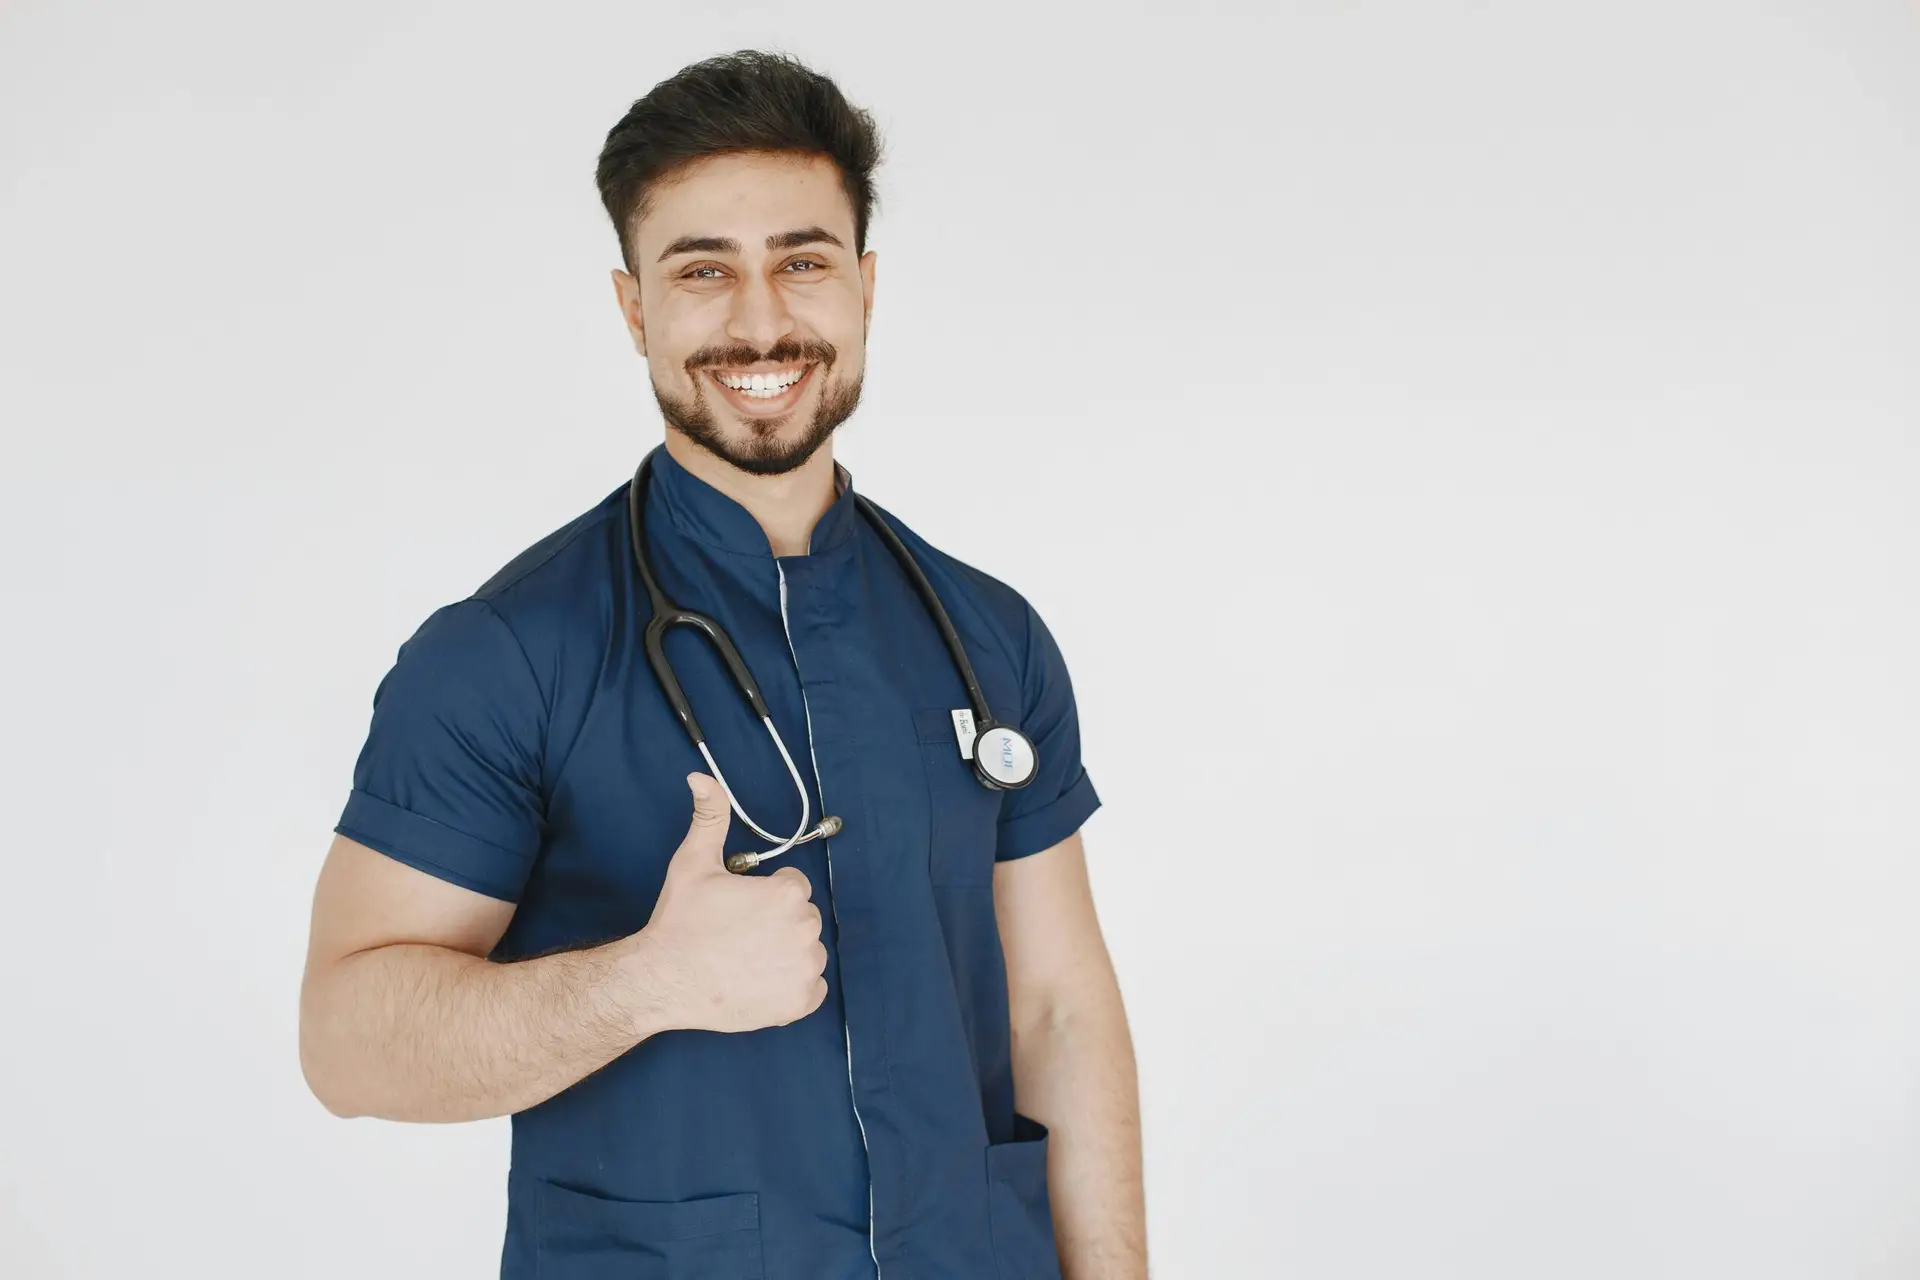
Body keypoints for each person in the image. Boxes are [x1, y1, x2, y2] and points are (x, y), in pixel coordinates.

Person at [298, 49, 1145, 1280]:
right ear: (635, 307)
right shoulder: (508, 654)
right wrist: (645, 982)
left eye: (802, 262)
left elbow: (1060, 1009)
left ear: (863, 287)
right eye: (704, 271)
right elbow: (347, 1041)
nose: (761, 322)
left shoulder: (987, 632)